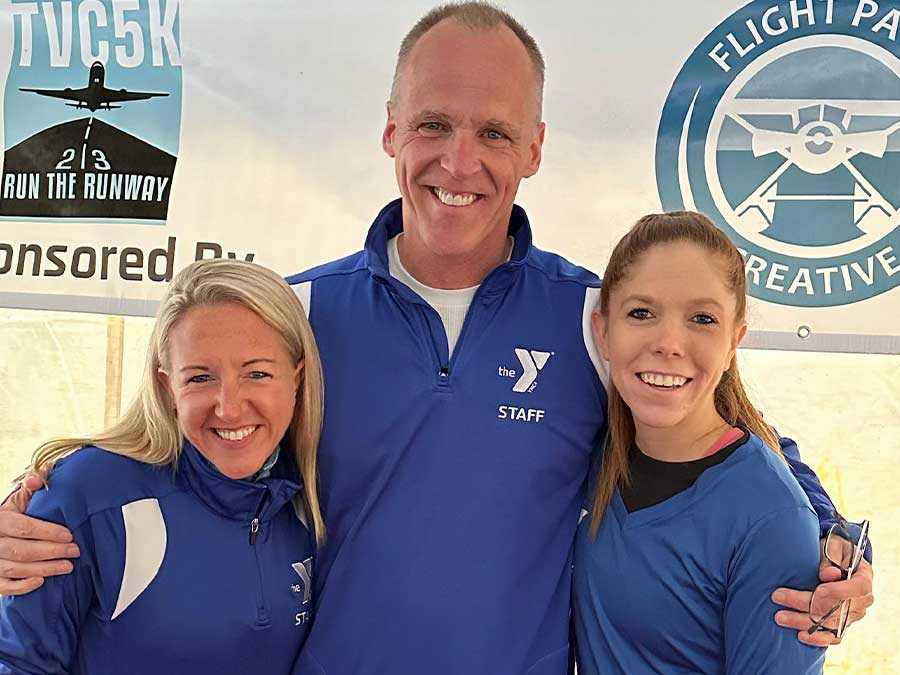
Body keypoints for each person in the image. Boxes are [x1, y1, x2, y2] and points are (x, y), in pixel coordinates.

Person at [0, 5, 874, 674]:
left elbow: (723, 433)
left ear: (534, 148)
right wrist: (35, 501)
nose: (460, 163)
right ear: (390, 130)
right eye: (433, 125)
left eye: (494, 132)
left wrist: (836, 537)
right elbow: (164, 442)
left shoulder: (594, 317)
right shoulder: (296, 315)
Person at [0, 259, 325, 675]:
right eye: (199, 379)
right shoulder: (87, 495)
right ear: (166, 385)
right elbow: (21, 662)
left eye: (257, 374)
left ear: (297, 378)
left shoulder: (311, 499)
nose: (228, 408)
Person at [573, 212, 830, 674]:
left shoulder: (773, 519)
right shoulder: (591, 452)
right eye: (642, 313)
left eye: (702, 318)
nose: (670, 343)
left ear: (735, 341)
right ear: (603, 330)